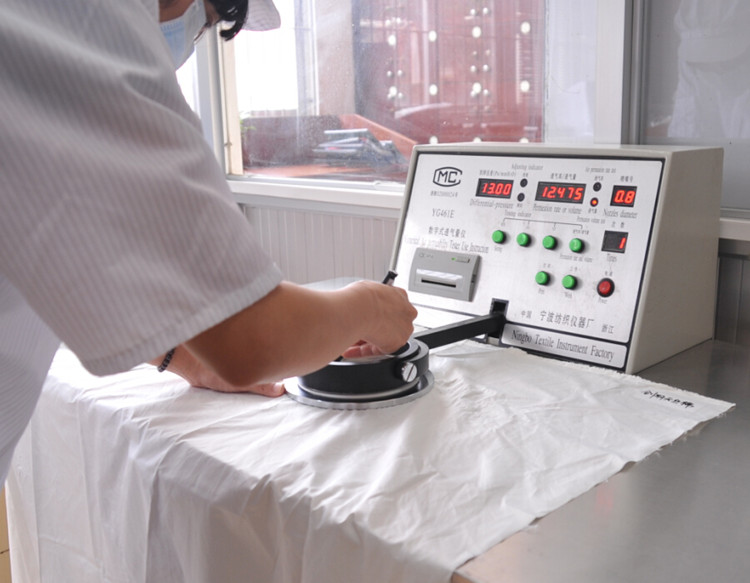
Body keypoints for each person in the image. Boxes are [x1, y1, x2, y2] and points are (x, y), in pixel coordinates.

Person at [0, 0, 417, 484]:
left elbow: (89, 257)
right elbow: (252, 340)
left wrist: (188, 357)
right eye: (209, 22)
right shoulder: (84, 25)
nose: (192, 37)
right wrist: (370, 307)